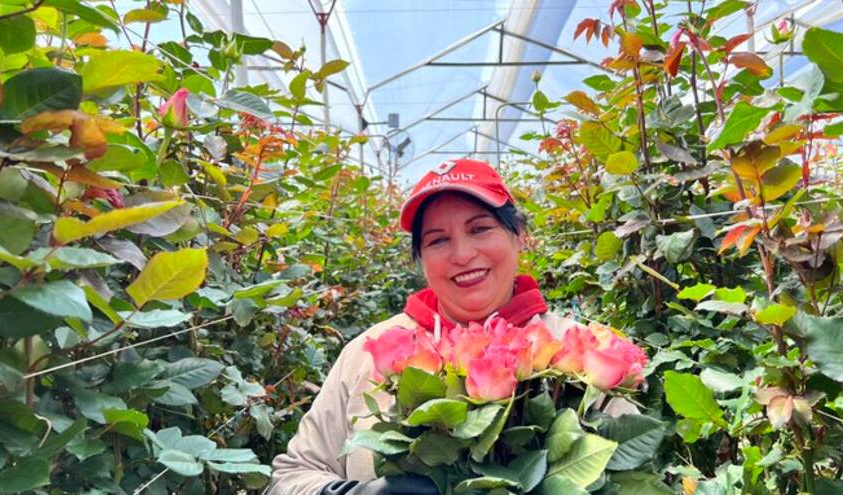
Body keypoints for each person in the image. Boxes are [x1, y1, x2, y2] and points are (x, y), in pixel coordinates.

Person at [266, 158, 635, 494]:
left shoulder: (581, 351)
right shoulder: (375, 352)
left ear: (519, 234)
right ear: (420, 258)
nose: (461, 255)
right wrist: (354, 493)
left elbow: (637, 475)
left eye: (479, 229)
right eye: (438, 240)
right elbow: (291, 476)